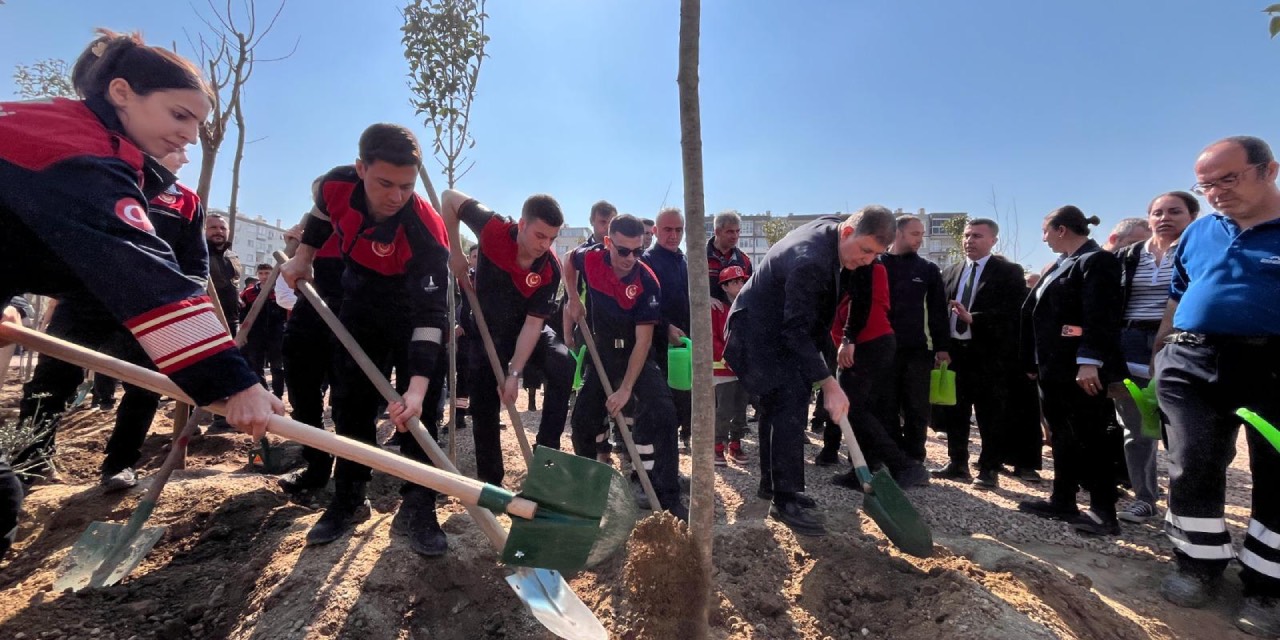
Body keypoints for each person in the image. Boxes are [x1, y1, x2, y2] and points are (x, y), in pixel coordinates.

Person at [2, 29, 276, 452]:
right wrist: (236, 381)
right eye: (180, 115)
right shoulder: (80, 154)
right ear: (121, 92)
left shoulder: (65, 128)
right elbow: (140, 268)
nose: (189, 137)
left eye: (198, 125)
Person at [280, 123, 450, 556]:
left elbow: (431, 316)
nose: (396, 197)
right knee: (350, 399)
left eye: (407, 186)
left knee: (423, 410)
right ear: (360, 169)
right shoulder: (336, 185)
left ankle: (419, 501)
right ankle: (350, 495)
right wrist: (303, 257)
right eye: (384, 183)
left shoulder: (426, 231)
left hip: (413, 309)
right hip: (360, 298)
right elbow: (320, 217)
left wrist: (415, 387)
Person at [12, 147, 212, 488]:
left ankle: (120, 463)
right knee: (51, 380)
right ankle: (31, 460)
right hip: (86, 300)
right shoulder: (101, 179)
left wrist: (182, 306)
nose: (185, 157)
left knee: (145, 388)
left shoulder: (187, 202)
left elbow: (195, 265)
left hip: (149, 310)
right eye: (179, 148)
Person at [1152, 136, 1280, 636]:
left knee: (1275, 472)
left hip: (1271, 365)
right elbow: (1179, 290)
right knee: (1192, 463)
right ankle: (1196, 565)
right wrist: (1162, 348)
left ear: (1269, 169)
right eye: (1206, 185)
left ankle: (1267, 586)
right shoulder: (1202, 230)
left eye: (1228, 179)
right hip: (1192, 359)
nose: (1217, 192)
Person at [723, 205, 895, 537]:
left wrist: (840, 348)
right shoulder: (809, 261)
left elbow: (828, 311)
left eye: (877, 254)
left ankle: (773, 486)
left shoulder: (839, 234)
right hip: (758, 335)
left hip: (785, 330)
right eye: (865, 250)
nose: (869, 259)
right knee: (786, 404)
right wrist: (829, 384)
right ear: (848, 233)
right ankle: (785, 498)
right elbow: (795, 332)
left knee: (787, 402)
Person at [440, 188, 574, 486]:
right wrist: (456, 251)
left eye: (552, 238)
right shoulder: (493, 227)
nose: (545, 244)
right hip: (486, 330)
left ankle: (546, 456)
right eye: (540, 235)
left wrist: (514, 372)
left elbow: (533, 325)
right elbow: (449, 198)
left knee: (563, 363)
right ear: (522, 225)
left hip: (527, 331)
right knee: (484, 403)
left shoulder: (549, 269)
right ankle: (491, 481)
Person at [562, 214, 686, 520]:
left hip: (635, 354)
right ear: (607, 243)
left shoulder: (647, 282)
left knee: (664, 411)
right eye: (623, 251)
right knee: (582, 419)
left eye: (638, 251)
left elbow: (643, 343)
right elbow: (567, 259)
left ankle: (668, 496)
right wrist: (573, 297)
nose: (631, 258)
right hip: (601, 351)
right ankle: (588, 493)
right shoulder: (590, 258)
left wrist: (625, 389)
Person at [1018, 206, 1124, 536]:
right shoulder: (1062, 263)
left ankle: (1104, 512)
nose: (1043, 238)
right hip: (1053, 369)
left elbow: (1100, 316)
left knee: (1093, 439)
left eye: (1046, 231)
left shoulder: (1097, 261)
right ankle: (1062, 499)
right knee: (1063, 437)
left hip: (1080, 371)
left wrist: (1089, 360)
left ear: (1062, 229)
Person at [1112, 191, 1198, 524]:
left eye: (1174, 211)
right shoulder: (1130, 256)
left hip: (1182, 344)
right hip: (1130, 343)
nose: (1164, 218)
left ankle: (1188, 505)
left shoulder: (1198, 251)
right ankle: (1145, 497)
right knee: (1136, 428)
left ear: (1191, 216)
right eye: (1157, 212)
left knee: (1185, 431)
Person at [930, 219, 1029, 488]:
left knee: (989, 414)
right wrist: (941, 347)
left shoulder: (1008, 272)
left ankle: (988, 468)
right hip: (954, 354)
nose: (969, 240)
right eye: (966, 235)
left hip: (988, 355)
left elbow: (1013, 313)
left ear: (993, 240)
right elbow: (938, 314)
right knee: (955, 411)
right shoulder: (950, 272)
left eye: (977, 236)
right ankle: (957, 463)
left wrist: (974, 318)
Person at [823, 258, 932, 490]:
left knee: (852, 408)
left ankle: (903, 465)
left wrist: (848, 338)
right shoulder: (869, 263)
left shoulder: (863, 262)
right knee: (864, 409)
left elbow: (861, 301)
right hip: (874, 341)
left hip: (867, 342)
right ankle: (865, 467)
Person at [277, 218, 347, 496]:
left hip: (351, 320)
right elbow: (284, 291)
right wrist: (295, 251)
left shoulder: (360, 230)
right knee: (302, 397)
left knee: (349, 404)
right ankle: (317, 463)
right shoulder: (305, 243)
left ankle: (350, 479)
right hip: (308, 320)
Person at [877, 215, 950, 463]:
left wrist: (942, 347)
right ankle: (893, 458)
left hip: (918, 351)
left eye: (922, 234)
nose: (920, 239)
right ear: (898, 233)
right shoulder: (876, 264)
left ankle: (916, 458)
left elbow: (939, 311)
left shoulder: (928, 270)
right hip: (883, 349)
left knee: (917, 408)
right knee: (885, 406)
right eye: (915, 234)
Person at [641, 207, 694, 453]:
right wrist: (665, 327)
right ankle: (651, 471)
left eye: (678, 230)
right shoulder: (646, 262)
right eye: (667, 229)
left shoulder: (684, 261)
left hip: (683, 348)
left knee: (681, 403)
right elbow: (641, 307)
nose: (673, 235)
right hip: (656, 349)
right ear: (655, 231)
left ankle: (668, 466)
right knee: (657, 410)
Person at [712, 265, 749, 466]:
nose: (740, 285)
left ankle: (735, 444)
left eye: (741, 281)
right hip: (723, 368)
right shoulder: (717, 309)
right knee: (724, 409)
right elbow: (713, 338)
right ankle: (717, 446)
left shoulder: (747, 306)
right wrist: (729, 356)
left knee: (741, 409)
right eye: (734, 282)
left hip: (742, 369)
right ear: (724, 287)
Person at [238, 263, 287, 398]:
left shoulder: (280, 291)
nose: (264, 276)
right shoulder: (249, 293)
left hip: (276, 334)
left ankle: (278, 396)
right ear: (257, 275)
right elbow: (242, 314)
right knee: (256, 366)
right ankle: (264, 395)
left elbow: (286, 312)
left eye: (267, 273)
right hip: (255, 335)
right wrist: (243, 333)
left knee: (277, 367)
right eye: (261, 273)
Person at [206, 213, 243, 335]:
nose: (219, 231)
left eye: (222, 228)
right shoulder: (197, 254)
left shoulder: (232, 256)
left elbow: (234, 282)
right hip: (207, 321)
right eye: (213, 227)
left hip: (232, 321)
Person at [707, 210, 753, 306]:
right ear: (717, 232)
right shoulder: (699, 259)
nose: (735, 236)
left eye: (737, 231)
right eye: (730, 232)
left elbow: (750, 293)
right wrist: (705, 299)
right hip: (708, 318)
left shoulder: (745, 261)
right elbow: (687, 289)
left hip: (736, 318)